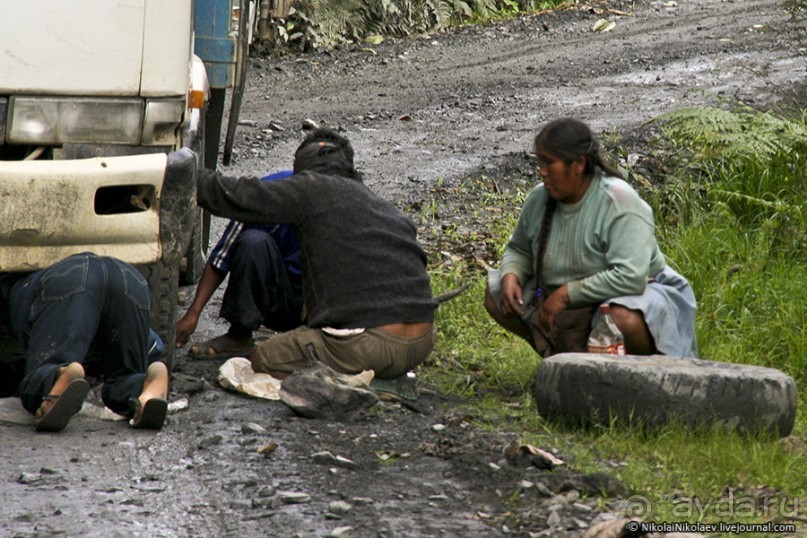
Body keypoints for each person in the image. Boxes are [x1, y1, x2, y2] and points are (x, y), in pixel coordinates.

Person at [195, 128, 438, 379]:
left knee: (265, 358)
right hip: (421, 342)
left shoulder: (312, 189)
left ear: (302, 171)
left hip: (372, 346)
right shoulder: (383, 207)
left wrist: (186, 176)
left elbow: (235, 196)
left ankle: (338, 377)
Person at [484, 117, 698, 358]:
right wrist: (511, 276)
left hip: (631, 294)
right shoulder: (539, 199)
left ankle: (637, 372)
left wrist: (565, 295)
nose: (542, 172)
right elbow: (520, 249)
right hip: (564, 296)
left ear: (578, 164)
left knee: (622, 319)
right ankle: (562, 356)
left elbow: (631, 277)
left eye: (549, 163)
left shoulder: (619, 201)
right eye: (540, 162)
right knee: (495, 293)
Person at [0, 253, 170, 432]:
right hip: (129, 277)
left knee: (40, 376)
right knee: (123, 377)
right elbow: (152, 344)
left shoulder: (15, 281)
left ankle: (58, 375)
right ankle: (144, 386)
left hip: (71, 280)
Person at [175, 169, 304, 360]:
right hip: (279, 297)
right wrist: (193, 314)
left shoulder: (346, 204)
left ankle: (320, 344)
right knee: (253, 242)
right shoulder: (267, 194)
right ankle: (239, 336)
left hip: (323, 309)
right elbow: (222, 258)